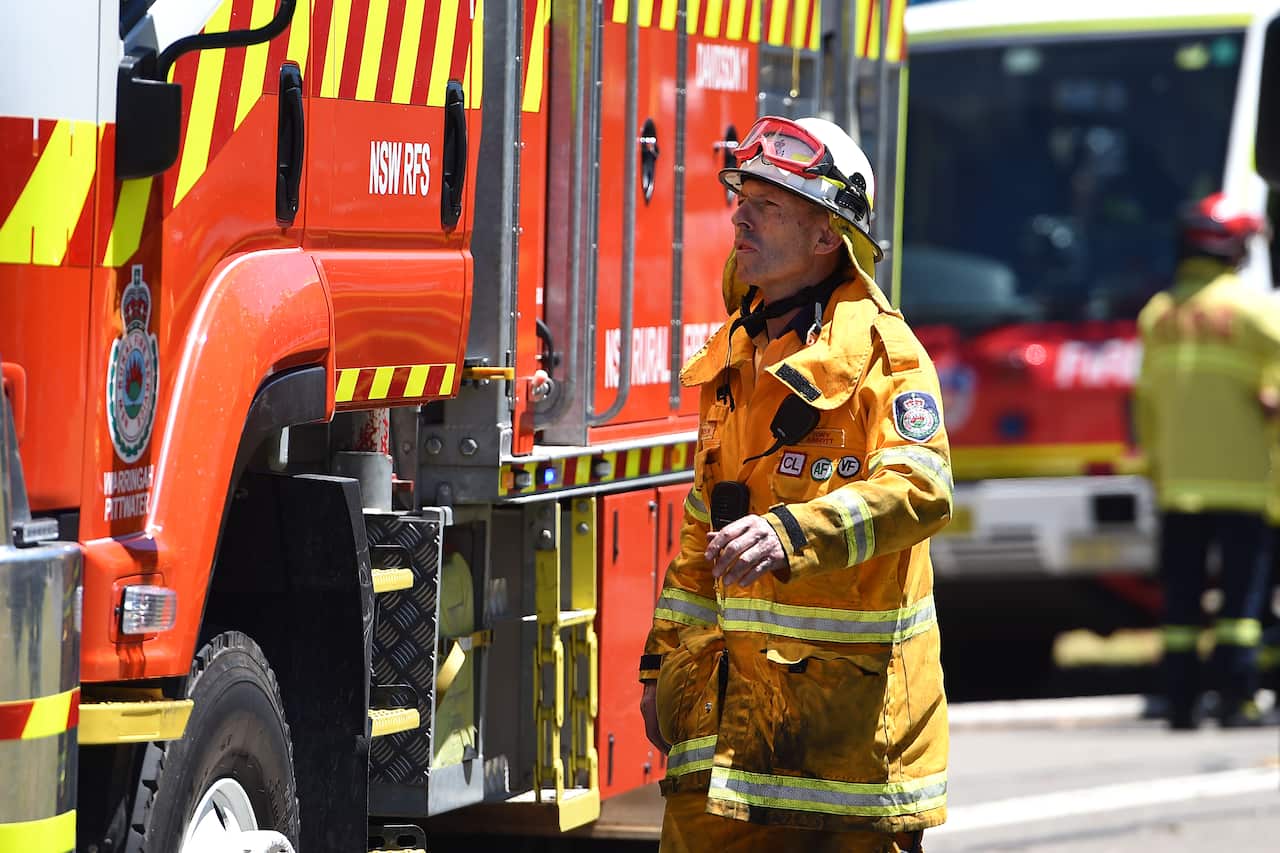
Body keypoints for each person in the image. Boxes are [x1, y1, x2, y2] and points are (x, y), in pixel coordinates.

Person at [637, 116, 952, 853]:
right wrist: (661, 664)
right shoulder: (742, 351)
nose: (740, 213)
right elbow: (701, 528)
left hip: (848, 756)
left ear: (825, 237)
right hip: (728, 746)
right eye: (742, 194)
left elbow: (921, 490)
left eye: (769, 203)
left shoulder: (886, 357)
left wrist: (791, 534)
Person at [1135, 192, 1280, 729]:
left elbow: (1146, 402)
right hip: (1245, 483)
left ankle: (1178, 701)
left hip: (1177, 483)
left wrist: (1154, 468)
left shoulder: (1158, 316)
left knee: (1180, 599)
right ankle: (1237, 697)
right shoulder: (1255, 313)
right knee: (1242, 603)